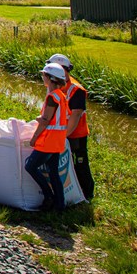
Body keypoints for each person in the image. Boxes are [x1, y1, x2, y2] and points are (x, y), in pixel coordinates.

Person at [25, 62, 71, 212]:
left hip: (48, 140)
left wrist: (34, 138)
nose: (42, 77)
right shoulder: (61, 96)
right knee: (53, 173)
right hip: (57, 141)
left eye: (44, 75)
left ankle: (48, 196)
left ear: (51, 78)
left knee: (30, 166)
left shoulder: (52, 97)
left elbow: (46, 121)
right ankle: (60, 205)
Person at [47, 53, 93, 200]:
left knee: (79, 164)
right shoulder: (55, 85)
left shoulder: (76, 90)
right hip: (59, 132)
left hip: (75, 135)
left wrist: (63, 135)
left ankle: (87, 193)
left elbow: (76, 115)